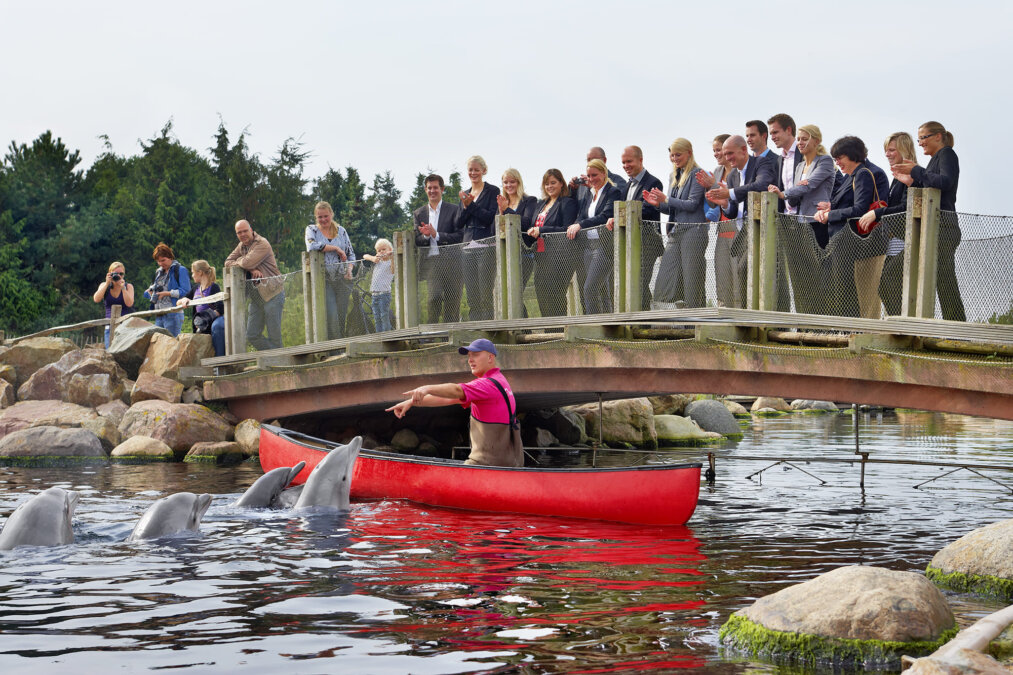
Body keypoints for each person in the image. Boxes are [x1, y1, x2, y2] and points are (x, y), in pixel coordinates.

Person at [387, 338, 522, 467]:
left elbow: (457, 390)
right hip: (507, 463)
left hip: (487, 464)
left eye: (475, 355)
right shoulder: (498, 379)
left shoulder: (487, 385)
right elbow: (448, 398)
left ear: (490, 358)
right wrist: (411, 402)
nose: (470, 360)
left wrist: (426, 388)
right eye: (469, 356)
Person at [892, 121, 964, 321]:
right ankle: (907, 321)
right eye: (919, 139)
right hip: (930, 228)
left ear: (938, 137)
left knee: (945, 281)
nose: (921, 143)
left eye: (923, 138)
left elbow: (945, 182)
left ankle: (957, 328)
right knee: (894, 275)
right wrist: (912, 181)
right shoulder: (934, 160)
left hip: (943, 227)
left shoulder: (947, 154)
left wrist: (915, 170)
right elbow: (931, 185)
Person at [815, 136, 891, 318]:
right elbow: (850, 203)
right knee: (842, 288)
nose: (838, 163)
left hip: (852, 242)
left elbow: (860, 209)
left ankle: (851, 330)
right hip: (845, 240)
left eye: (840, 158)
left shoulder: (863, 173)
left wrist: (829, 215)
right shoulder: (855, 174)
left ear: (852, 155)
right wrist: (830, 208)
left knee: (847, 290)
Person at [700, 135, 777, 308]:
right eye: (725, 154)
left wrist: (730, 193)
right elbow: (734, 210)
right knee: (743, 273)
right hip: (742, 234)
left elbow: (761, 185)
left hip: (761, 231)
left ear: (743, 150)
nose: (727, 158)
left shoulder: (761, 163)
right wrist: (726, 203)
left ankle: (756, 313)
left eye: (730, 153)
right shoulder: (733, 175)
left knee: (749, 272)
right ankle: (747, 313)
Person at [767, 124, 835, 314]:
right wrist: (792, 190)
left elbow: (809, 185)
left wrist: (785, 193)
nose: (800, 142)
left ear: (817, 141)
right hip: (800, 223)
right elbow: (799, 193)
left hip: (818, 222)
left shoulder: (825, 161)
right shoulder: (799, 166)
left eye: (805, 139)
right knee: (805, 273)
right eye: (799, 139)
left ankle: (823, 315)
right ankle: (808, 314)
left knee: (821, 271)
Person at [857, 132, 920, 316]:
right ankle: (897, 324)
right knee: (886, 286)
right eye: (886, 150)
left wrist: (877, 213)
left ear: (904, 149)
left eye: (891, 150)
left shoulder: (914, 175)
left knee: (889, 282)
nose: (887, 154)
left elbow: (906, 208)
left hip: (908, 240)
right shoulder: (896, 176)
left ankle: (901, 325)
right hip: (895, 240)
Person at [645, 138, 708, 307]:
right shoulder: (673, 175)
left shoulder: (697, 173)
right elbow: (672, 208)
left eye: (678, 155)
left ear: (689, 153)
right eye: (672, 155)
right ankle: (666, 315)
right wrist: (658, 204)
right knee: (666, 273)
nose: (674, 159)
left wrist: (666, 199)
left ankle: (695, 318)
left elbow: (692, 204)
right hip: (676, 231)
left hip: (694, 231)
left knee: (691, 277)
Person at [610, 146, 664, 309]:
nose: (626, 165)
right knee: (632, 282)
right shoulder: (626, 186)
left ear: (640, 160)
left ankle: (644, 320)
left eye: (629, 161)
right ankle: (642, 318)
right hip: (629, 243)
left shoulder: (653, 182)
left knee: (640, 281)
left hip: (647, 242)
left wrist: (623, 214)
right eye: (623, 162)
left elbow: (647, 209)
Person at [569, 158, 622, 314]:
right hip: (588, 246)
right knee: (602, 290)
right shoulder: (589, 193)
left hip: (604, 246)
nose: (591, 179)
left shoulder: (613, 191)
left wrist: (581, 225)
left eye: (595, 175)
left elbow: (605, 215)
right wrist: (576, 224)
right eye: (589, 176)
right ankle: (608, 326)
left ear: (604, 173)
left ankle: (594, 324)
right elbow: (582, 215)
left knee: (590, 288)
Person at [224, 219, 285, 351]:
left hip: (272, 293)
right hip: (256, 297)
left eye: (245, 231)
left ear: (251, 230)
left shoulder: (262, 243)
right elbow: (228, 262)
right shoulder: (241, 246)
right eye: (239, 232)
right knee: (252, 335)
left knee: (274, 335)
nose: (243, 234)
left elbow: (246, 263)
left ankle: (281, 362)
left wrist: (246, 265)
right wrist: (251, 269)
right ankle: (275, 356)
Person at [526, 169, 579, 317]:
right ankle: (548, 330)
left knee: (555, 295)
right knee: (542, 294)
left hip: (561, 257)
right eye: (547, 184)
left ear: (561, 183)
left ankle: (559, 331)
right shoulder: (540, 204)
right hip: (541, 256)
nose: (549, 186)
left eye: (553, 183)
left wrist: (541, 230)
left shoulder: (567, 203)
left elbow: (566, 229)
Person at [413, 173, 463, 324]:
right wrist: (427, 236)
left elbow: (461, 235)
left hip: (454, 262)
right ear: (425, 190)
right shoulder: (419, 213)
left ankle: (451, 337)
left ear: (442, 189)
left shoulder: (454, 210)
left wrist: (437, 235)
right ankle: (431, 335)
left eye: (435, 188)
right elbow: (417, 240)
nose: (432, 191)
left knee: (452, 302)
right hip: (432, 263)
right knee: (433, 298)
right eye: (429, 188)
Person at [305, 201, 356, 340]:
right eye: (319, 217)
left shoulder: (341, 231)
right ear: (316, 217)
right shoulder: (312, 230)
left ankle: (341, 348)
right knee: (332, 316)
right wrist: (335, 248)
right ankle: (334, 350)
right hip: (324, 280)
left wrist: (349, 269)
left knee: (341, 315)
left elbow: (351, 255)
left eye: (326, 216)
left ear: (332, 214)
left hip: (342, 279)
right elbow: (311, 246)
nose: (323, 220)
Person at [459, 155, 501, 321]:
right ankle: (475, 327)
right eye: (470, 170)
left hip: (486, 246)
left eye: (476, 170)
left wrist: (472, 206)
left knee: (485, 292)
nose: (473, 173)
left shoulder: (492, 191)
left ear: (484, 171)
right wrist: (465, 207)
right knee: (472, 294)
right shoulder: (465, 193)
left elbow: (490, 217)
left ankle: (488, 328)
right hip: (468, 247)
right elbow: (459, 222)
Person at [496, 168, 538, 311]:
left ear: (518, 182)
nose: (509, 185)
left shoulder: (529, 200)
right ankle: (519, 329)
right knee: (506, 294)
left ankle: (525, 329)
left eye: (512, 182)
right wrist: (502, 211)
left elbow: (526, 223)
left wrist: (507, 210)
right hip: (505, 255)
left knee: (516, 292)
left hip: (524, 254)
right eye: (505, 182)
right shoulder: (502, 202)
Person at [703, 134, 737, 307]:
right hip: (722, 228)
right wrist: (708, 189)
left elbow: (736, 198)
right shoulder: (716, 172)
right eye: (714, 150)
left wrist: (714, 186)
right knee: (722, 273)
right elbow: (712, 202)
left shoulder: (738, 171)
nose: (716, 154)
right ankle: (723, 312)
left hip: (737, 227)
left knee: (737, 276)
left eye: (719, 150)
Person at [176, 260, 225, 356]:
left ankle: (220, 359)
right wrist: (184, 300)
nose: (192, 276)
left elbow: (220, 309)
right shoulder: (195, 288)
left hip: (211, 322)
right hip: (199, 325)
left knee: (217, 328)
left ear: (200, 273)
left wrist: (205, 318)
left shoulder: (214, 287)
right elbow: (178, 302)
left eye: (193, 273)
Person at [143, 242, 190, 337]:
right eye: (158, 261)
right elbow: (149, 292)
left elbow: (186, 291)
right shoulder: (158, 272)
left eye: (163, 260)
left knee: (171, 344)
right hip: (159, 314)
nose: (161, 264)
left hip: (173, 313)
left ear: (170, 257)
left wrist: (167, 293)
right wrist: (150, 292)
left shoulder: (180, 270)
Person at [93, 261, 135, 347]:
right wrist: (107, 283)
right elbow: (96, 299)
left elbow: (129, 303)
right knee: (110, 352)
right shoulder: (104, 285)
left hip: (126, 326)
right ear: (110, 273)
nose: (118, 276)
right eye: (116, 273)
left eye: (121, 274)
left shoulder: (128, 286)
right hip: (109, 326)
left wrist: (123, 288)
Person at [362, 238, 394, 332]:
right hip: (374, 294)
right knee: (376, 316)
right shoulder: (377, 261)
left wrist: (392, 257)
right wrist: (373, 258)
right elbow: (365, 256)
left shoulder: (390, 262)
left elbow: (393, 270)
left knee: (384, 315)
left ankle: (386, 335)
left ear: (389, 250)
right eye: (379, 250)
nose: (381, 252)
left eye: (384, 249)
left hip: (384, 294)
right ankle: (379, 335)